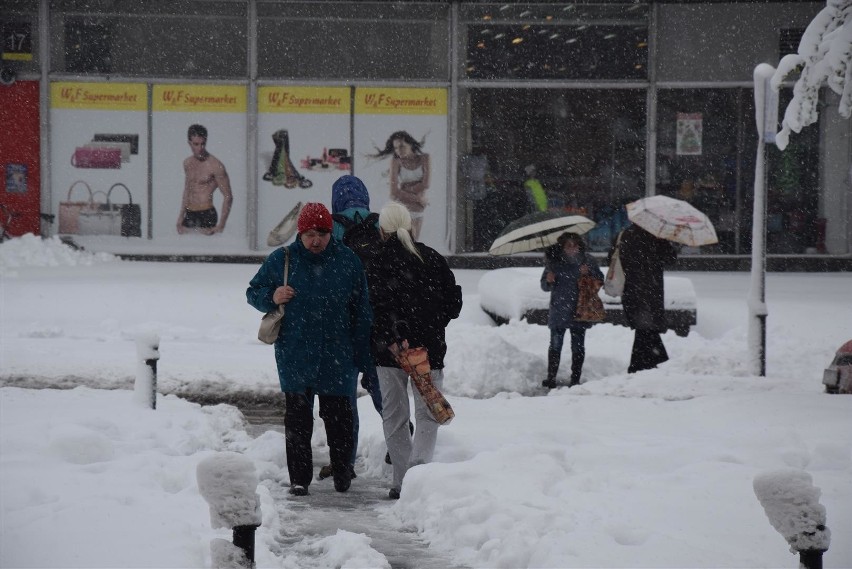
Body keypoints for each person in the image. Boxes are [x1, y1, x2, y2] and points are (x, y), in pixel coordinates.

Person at [246, 203, 373, 496]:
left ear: (332, 232)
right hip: (296, 354)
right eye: (309, 234)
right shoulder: (283, 259)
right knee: (298, 421)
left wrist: (362, 357)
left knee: (339, 420)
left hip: (338, 356)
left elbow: (362, 311)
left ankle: (342, 474)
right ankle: (299, 479)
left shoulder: (348, 261)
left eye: (323, 233)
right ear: (300, 233)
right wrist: (272, 295)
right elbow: (253, 292)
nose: (316, 240)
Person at [365, 202, 462, 500]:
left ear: (382, 230)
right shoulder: (432, 258)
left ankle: (401, 480)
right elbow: (453, 305)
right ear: (410, 226)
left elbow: (370, 309)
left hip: (388, 353)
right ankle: (419, 479)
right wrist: (428, 329)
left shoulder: (374, 261)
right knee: (427, 414)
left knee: (394, 416)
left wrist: (391, 338)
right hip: (428, 351)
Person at [314, 175, 384, 483]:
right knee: (383, 389)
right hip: (379, 323)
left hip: (342, 326)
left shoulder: (332, 227)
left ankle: (344, 459)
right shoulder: (381, 226)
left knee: (343, 397)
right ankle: (401, 441)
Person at [540, 233, 603, 389]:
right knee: (555, 344)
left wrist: (588, 273)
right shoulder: (553, 262)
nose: (573, 248)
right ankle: (551, 378)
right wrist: (549, 280)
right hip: (559, 309)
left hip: (580, 309)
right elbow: (543, 286)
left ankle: (575, 379)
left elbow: (600, 280)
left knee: (578, 346)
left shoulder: (587, 260)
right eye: (569, 245)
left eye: (575, 245)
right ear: (562, 247)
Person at [615, 223, 678, 373]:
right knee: (646, 329)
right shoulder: (656, 236)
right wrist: (663, 242)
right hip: (649, 291)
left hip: (633, 291)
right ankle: (652, 363)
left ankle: (646, 364)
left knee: (645, 329)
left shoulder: (624, 234)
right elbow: (671, 259)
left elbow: (613, 259)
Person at [371, 131, 430, 240]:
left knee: (414, 243)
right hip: (403, 207)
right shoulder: (396, 161)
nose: (399, 150)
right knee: (403, 242)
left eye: (402, 146)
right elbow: (394, 191)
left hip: (417, 208)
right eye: (396, 148)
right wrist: (418, 198)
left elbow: (426, 184)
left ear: (411, 144)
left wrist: (406, 189)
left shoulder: (424, 158)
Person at [177, 124, 233, 235]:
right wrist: (180, 216)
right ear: (189, 143)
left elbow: (228, 196)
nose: (200, 148)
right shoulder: (187, 163)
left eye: (203, 144)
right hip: (189, 213)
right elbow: (187, 189)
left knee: (206, 250)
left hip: (207, 214)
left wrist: (221, 225)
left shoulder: (215, 165)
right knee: (186, 250)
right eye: (196, 144)